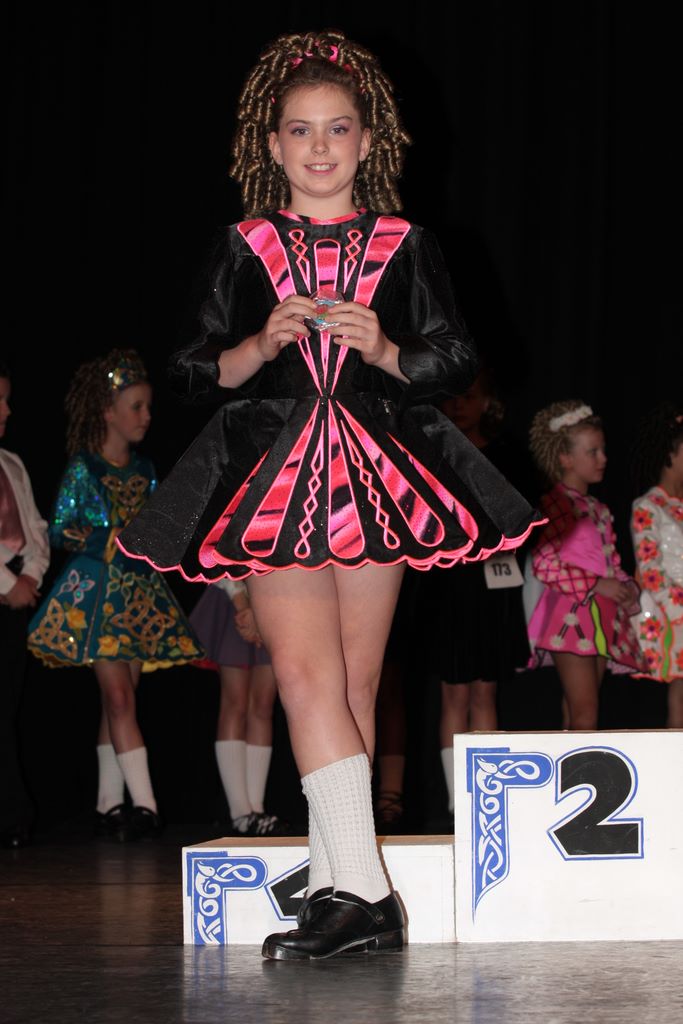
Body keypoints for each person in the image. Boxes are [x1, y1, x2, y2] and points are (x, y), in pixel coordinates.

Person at [118, 30, 541, 959]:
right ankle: (364, 894)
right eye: (301, 130)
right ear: (271, 145)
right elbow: (189, 370)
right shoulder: (244, 244)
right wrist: (258, 346)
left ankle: (334, 879)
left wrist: (386, 350)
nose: (319, 146)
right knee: (306, 677)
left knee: (351, 684)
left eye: (337, 128)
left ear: (366, 140)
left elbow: (455, 357)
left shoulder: (406, 244)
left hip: (376, 469)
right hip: (275, 474)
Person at [27, 349, 203, 841]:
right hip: (96, 595)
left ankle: (108, 804)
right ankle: (146, 806)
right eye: (136, 407)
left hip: (137, 596)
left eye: (148, 407)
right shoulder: (84, 468)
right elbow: (60, 528)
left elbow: (160, 528)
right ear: (108, 411)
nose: (146, 417)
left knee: (119, 701)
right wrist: (111, 539)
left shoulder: (145, 469)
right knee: (120, 698)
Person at [430, 370, 535, 820]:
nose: (459, 405)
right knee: (454, 694)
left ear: (488, 401)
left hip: (493, 585)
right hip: (448, 586)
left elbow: (523, 518)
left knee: (485, 693)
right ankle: (457, 802)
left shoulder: (507, 455)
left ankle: (483, 800)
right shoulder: (435, 452)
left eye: (469, 397)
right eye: (452, 397)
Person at [525, 399, 645, 730]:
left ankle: (571, 761)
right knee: (585, 711)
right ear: (565, 458)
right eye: (593, 452)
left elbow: (610, 562)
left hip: (598, 615)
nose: (603, 459)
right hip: (570, 617)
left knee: (580, 709)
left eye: (602, 450)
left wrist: (625, 587)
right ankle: (582, 763)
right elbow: (544, 563)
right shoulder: (555, 503)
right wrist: (595, 584)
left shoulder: (597, 508)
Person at [189, 579, 289, 835]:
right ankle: (240, 812)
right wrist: (243, 605)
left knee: (263, 705)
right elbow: (216, 557)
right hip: (233, 598)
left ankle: (255, 808)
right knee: (236, 702)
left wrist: (263, 608)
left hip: (274, 599)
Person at [0, 361, 50, 848]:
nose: (6, 410)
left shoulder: (11, 463)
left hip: (15, 597)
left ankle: (12, 814)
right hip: (5, 588)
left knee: (6, 708)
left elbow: (35, 527)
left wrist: (31, 573)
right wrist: (6, 582)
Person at [629, 401, 683, 727]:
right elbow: (650, 570)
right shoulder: (649, 506)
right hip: (672, 611)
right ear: (671, 454)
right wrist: (678, 611)